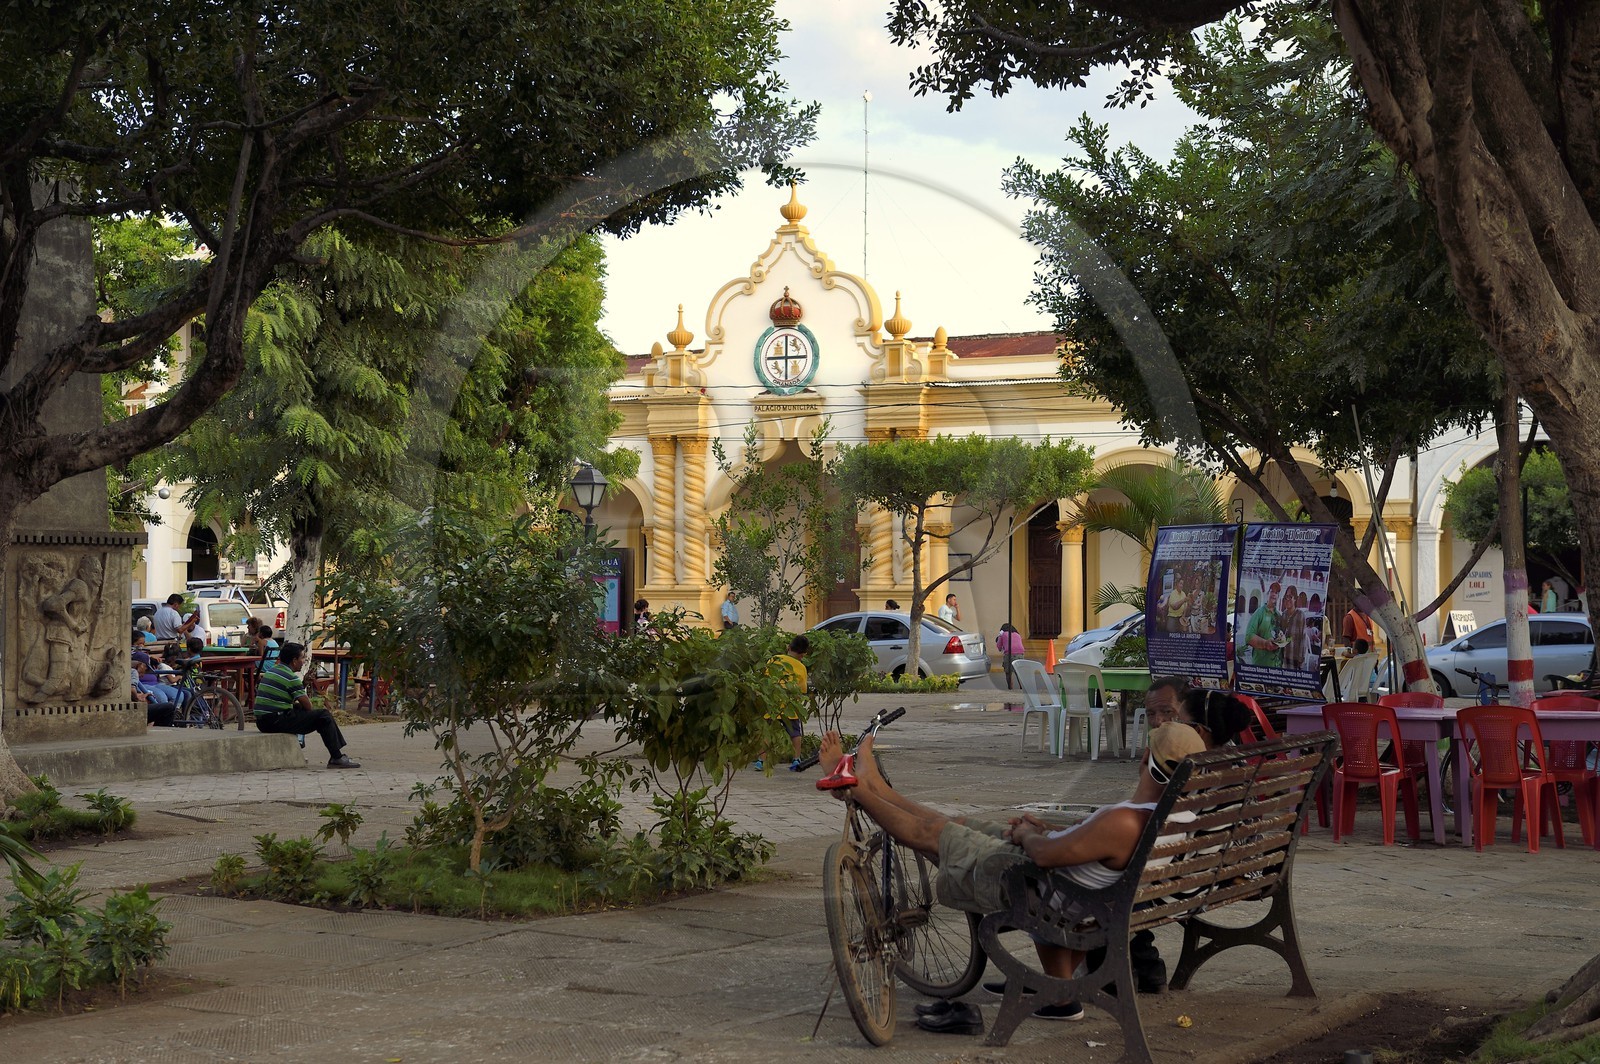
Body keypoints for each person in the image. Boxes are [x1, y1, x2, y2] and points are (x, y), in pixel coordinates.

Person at [815, 721, 1208, 1028]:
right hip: (1086, 900)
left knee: (934, 834)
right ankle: (876, 785)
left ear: (1144, 759)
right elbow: (1088, 849)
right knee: (959, 824)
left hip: (1042, 890)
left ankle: (857, 790)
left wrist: (1029, 835)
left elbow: (1051, 856)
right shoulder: (1179, 817)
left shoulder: (1126, 822)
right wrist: (1050, 832)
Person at [253, 641, 361, 768]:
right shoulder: (291, 678)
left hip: (263, 721)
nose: (304, 660)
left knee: (304, 711)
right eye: (302, 657)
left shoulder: (272, 671)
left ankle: (308, 744)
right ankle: (337, 756)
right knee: (323, 716)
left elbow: (285, 699)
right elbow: (309, 707)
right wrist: (302, 690)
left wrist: (303, 684)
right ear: (294, 661)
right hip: (274, 721)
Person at [759, 635, 810, 772]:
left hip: (772, 704)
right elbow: (802, 689)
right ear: (803, 654)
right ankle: (796, 759)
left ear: (788, 647)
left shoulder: (774, 660)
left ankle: (761, 760)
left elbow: (765, 679)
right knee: (795, 733)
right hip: (790, 706)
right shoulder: (801, 667)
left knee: (766, 732)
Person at [1241, 588, 1284, 668]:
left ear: (1278, 596)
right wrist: (1265, 644)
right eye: (1272, 591)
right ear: (1268, 594)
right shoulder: (1259, 612)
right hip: (1260, 666)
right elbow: (1248, 636)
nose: (1274, 594)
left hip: (1276, 666)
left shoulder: (1278, 616)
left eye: (1276, 592)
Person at [995, 623, 1025, 689]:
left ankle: (1010, 688)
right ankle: (1022, 687)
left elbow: (999, 647)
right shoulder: (1017, 634)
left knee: (1008, 672)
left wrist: (999, 636)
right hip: (1021, 653)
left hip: (1009, 653)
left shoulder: (1003, 634)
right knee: (1018, 671)